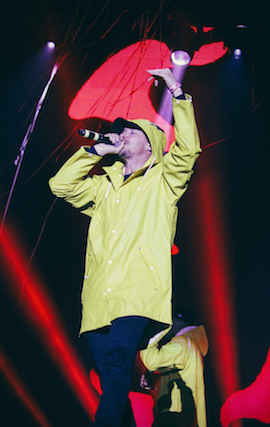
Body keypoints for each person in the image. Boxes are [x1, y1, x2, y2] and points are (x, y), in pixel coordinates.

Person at [48, 67, 201, 427]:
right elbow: (60, 185)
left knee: (118, 359)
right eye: (121, 131)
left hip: (137, 292)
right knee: (112, 379)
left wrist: (177, 92)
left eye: (131, 131)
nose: (122, 134)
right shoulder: (104, 186)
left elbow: (188, 151)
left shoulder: (163, 181)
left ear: (151, 145)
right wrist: (93, 152)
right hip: (99, 297)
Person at [139, 314, 208, 427]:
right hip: (185, 416)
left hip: (176, 417)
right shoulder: (191, 343)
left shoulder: (182, 343)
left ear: (179, 323)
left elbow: (152, 361)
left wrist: (150, 336)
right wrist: (155, 379)